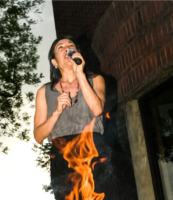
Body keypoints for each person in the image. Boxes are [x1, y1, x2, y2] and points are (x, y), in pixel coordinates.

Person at [34, 36, 117, 200]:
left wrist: (80, 74)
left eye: (71, 46)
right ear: (54, 62)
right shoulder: (44, 91)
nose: (67, 48)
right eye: (60, 47)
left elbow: (97, 109)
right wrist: (56, 112)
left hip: (93, 147)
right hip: (62, 152)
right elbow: (38, 136)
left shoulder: (95, 80)